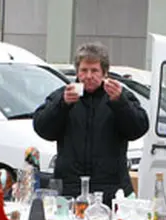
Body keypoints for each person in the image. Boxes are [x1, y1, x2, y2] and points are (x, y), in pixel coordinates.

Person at [33, 42, 149, 204]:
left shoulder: (119, 96)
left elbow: (139, 128)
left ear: (105, 73)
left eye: (94, 71)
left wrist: (120, 103)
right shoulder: (64, 95)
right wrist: (62, 105)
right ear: (77, 72)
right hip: (70, 188)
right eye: (84, 70)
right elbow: (42, 128)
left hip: (111, 188)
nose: (88, 76)